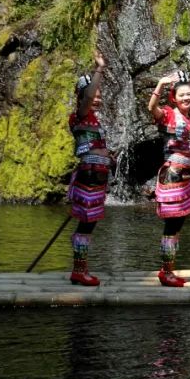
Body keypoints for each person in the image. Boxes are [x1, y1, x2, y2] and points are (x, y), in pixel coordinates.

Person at [148, 70, 190, 287]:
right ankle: (165, 272)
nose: (186, 98)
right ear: (174, 98)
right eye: (182, 95)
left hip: (186, 175)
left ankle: (169, 270)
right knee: (171, 224)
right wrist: (160, 84)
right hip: (173, 174)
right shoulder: (169, 113)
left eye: (189, 94)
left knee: (178, 224)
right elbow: (152, 108)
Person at [67, 50, 111, 286]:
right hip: (89, 176)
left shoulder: (93, 119)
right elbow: (86, 99)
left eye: (98, 95)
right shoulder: (79, 116)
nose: (97, 98)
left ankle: (80, 269)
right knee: (86, 223)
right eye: (93, 95)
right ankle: (79, 270)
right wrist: (99, 68)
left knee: (89, 223)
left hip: (98, 178)